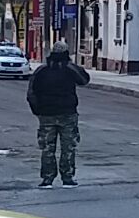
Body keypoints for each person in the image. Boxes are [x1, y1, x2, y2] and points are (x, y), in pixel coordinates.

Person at [26, 40, 91, 188]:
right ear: (66, 53)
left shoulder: (41, 70)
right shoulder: (69, 68)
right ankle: (67, 178)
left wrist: (37, 111)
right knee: (68, 147)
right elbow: (84, 79)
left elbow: (31, 93)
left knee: (47, 148)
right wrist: (71, 63)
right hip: (67, 114)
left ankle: (47, 179)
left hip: (46, 115)